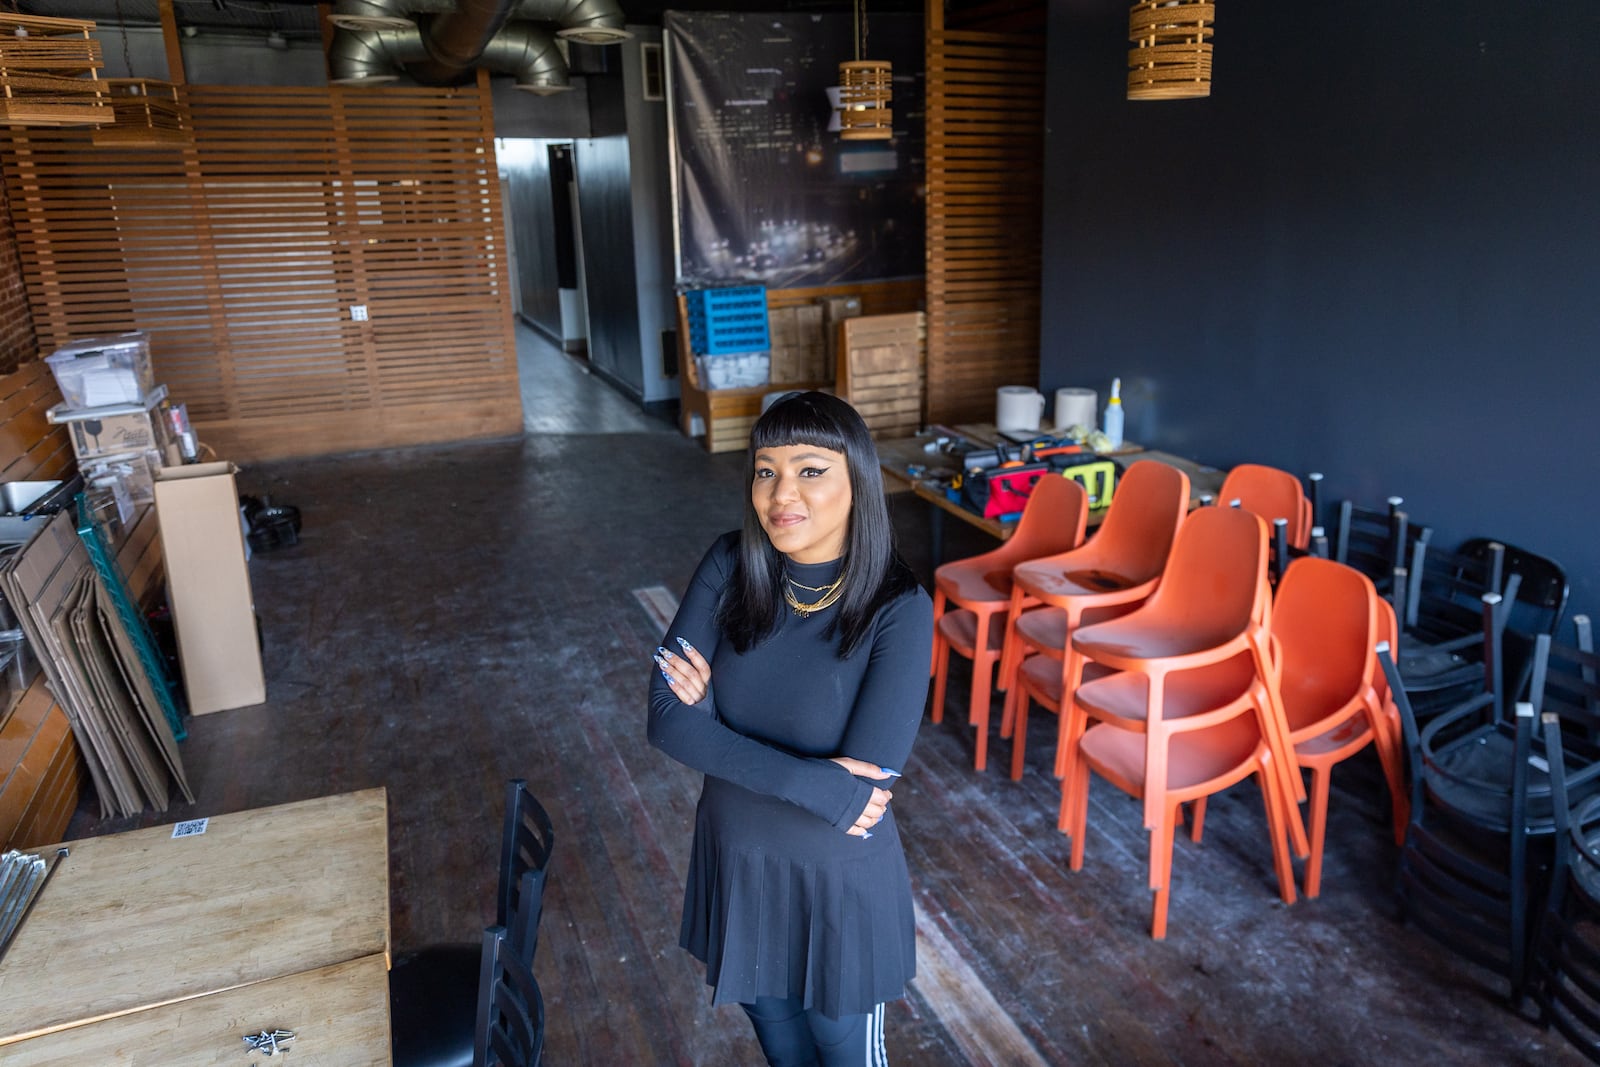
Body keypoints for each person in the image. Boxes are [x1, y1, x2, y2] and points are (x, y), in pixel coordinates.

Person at [648, 391, 934, 1067]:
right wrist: (815, 781)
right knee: (780, 1044)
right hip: (738, 859)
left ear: (856, 481)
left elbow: (863, 792)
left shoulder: (899, 610)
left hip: (835, 882)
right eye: (765, 469)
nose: (782, 493)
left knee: (844, 1052)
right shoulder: (729, 565)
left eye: (810, 469)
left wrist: (712, 724)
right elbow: (666, 722)